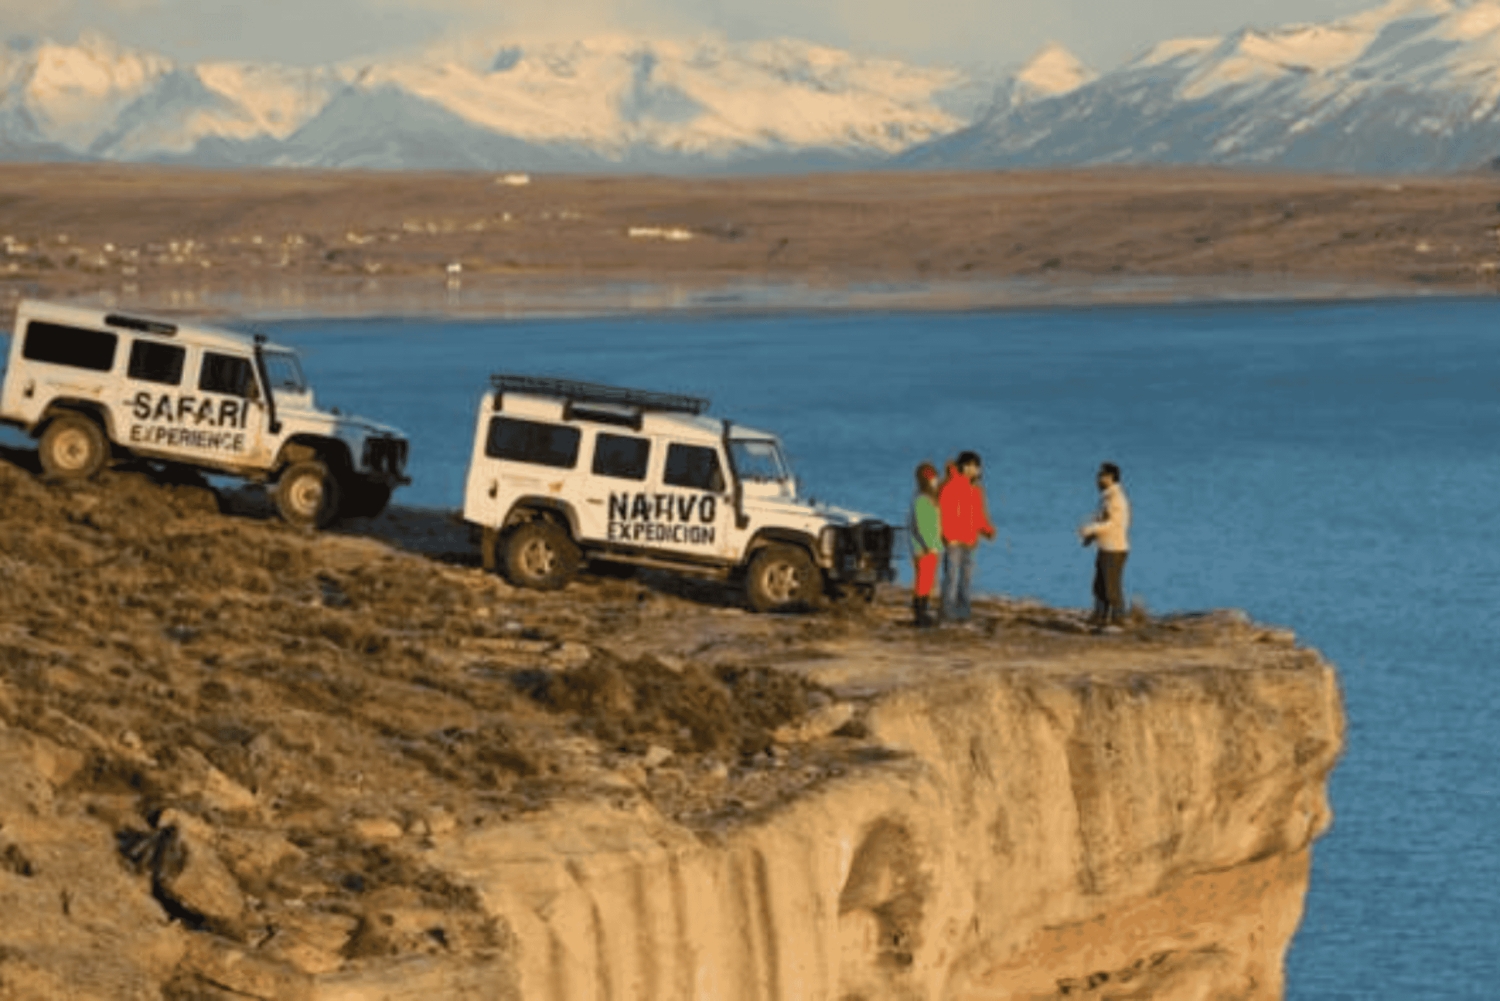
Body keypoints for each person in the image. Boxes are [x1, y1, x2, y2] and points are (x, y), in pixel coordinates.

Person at [939, 450, 996, 623]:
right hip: (954, 541)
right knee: (951, 578)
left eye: (977, 466)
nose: (975, 469)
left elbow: (978, 515)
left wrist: (987, 530)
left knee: (966, 580)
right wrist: (948, 536)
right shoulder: (950, 486)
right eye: (972, 465)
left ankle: (963, 613)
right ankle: (947, 613)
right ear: (963, 466)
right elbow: (944, 513)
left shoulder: (976, 490)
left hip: (970, 541)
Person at [1078, 461, 1131, 631]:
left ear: (1110, 477)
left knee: (1111, 587)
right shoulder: (1107, 497)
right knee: (1099, 586)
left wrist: (1091, 529)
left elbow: (1113, 523)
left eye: (1101, 476)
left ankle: (1118, 620)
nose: (1097, 479)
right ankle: (1099, 617)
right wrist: (1091, 537)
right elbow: (1102, 519)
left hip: (1115, 548)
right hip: (1105, 547)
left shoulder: (1116, 499)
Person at [907, 462, 943, 627]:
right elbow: (921, 526)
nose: (935, 481)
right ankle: (919, 613)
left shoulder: (931, 499)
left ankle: (924, 611)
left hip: (932, 546)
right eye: (932, 478)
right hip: (923, 548)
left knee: (928, 581)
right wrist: (929, 545)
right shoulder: (921, 500)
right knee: (923, 580)